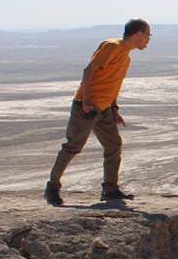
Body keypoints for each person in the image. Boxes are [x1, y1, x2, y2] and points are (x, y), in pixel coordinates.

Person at [44, 18, 151, 205]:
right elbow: (88, 71)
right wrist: (85, 100)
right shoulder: (112, 46)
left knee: (113, 146)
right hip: (87, 106)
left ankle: (110, 189)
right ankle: (52, 187)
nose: (148, 40)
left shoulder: (126, 55)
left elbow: (112, 84)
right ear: (138, 34)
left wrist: (114, 108)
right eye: (148, 35)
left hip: (104, 109)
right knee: (73, 146)